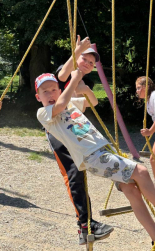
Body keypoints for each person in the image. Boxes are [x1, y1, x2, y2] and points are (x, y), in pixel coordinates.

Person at [35, 71, 155, 250]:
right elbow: (60, 104)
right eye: (45, 92)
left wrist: (86, 88)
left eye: (54, 89)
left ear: (59, 90)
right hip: (93, 156)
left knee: (131, 190)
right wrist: (75, 78)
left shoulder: (70, 104)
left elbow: (92, 102)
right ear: (38, 97)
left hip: (102, 151)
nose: (51, 94)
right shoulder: (44, 113)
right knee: (141, 171)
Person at [45, 35, 113, 245]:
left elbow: (94, 102)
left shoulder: (84, 82)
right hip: (59, 132)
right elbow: (63, 74)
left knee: (80, 175)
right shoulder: (64, 77)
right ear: (77, 58)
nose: (88, 64)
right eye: (85, 59)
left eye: (92, 63)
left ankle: (88, 222)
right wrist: (76, 53)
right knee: (73, 175)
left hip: (76, 134)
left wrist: (85, 89)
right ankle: (84, 225)